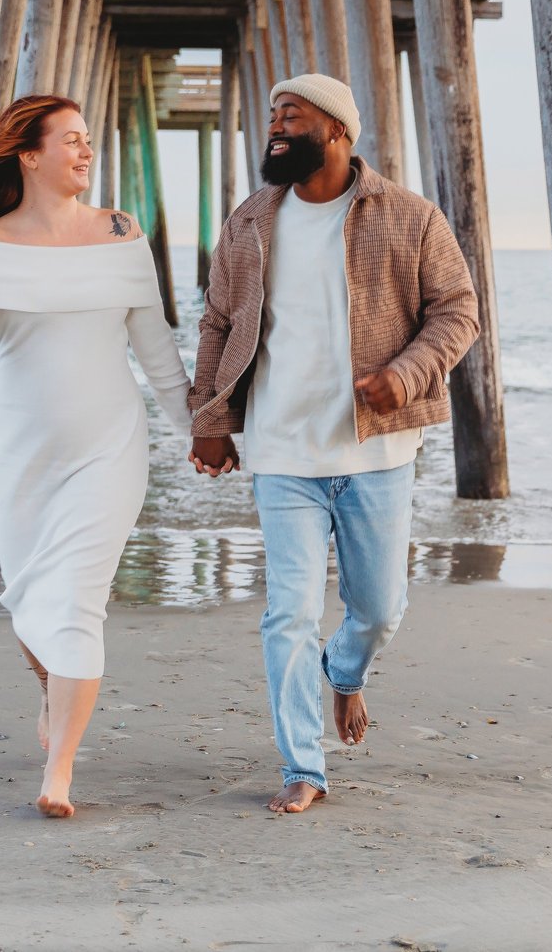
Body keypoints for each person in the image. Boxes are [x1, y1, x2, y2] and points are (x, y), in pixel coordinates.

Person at [187, 74, 480, 814]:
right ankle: (303, 765)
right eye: (273, 116)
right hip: (283, 453)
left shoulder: (409, 218)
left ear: (340, 131)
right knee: (287, 612)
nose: (277, 127)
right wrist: (212, 421)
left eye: (294, 116)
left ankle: (345, 674)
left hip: (376, 453)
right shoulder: (251, 220)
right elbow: (218, 321)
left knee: (379, 610)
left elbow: (458, 310)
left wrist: (406, 376)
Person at [0, 94, 191, 818]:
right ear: (29, 154)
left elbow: (156, 346)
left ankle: (60, 773)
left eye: (88, 140)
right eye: (69, 140)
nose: (85, 151)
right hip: (19, 450)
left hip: (110, 446)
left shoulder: (120, 232)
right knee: (30, 601)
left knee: (77, 602)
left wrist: (198, 428)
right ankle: (51, 688)